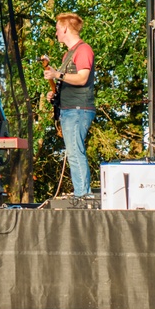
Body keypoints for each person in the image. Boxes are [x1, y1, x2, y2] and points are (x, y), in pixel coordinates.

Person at [43, 12, 97, 198]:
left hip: (78, 110)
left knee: (75, 152)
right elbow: (69, 80)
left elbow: (82, 78)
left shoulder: (83, 50)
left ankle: (83, 196)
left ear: (65, 28)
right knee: (73, 151)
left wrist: (57, 75)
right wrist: (56, 93)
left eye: (57, 29)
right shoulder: (69, 53)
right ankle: (81, 193)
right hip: (69, 110)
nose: (56, 33)